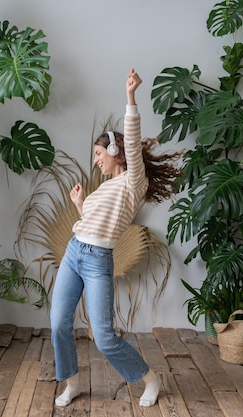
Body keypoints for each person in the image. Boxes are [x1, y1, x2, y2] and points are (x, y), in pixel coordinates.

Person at [50, 68, 183, 408]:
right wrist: (81, 204)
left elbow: (133, 137)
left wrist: (130, 97)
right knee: (58, 325)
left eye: (99, 154)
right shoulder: (105, 189)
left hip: (96, 262)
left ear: (116, 151)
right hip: (74, 252)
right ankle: (73, 382)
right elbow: (94, 225)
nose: (96, 161)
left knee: (105, 338)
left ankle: (148, 379)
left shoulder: (132, 183)